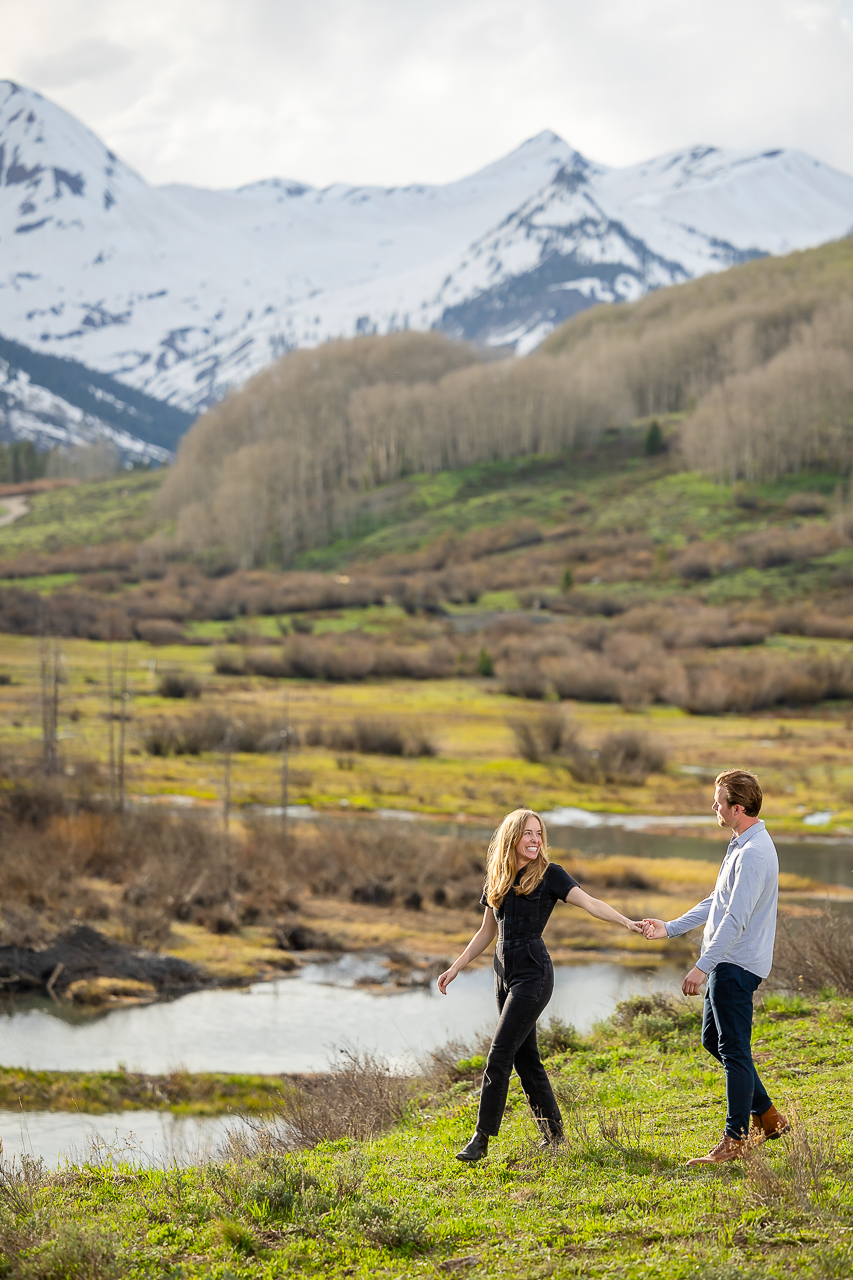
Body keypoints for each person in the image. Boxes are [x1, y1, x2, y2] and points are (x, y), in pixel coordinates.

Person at [437, 807, 642, 1162]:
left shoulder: (551, 875)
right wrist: (456, 967)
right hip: (503, 976)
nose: (535, 840)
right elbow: (487, 931)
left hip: (534, 973)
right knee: (525, 1058)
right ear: (512, 838)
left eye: (538, 834)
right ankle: (555, 1135)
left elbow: (590, 902)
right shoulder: (498, 877)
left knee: (499, 1053)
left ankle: (481, 1138)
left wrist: (627, 923)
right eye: (528, 834)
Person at [641, 769, 789, 1165]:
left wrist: (702, 966)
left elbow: (735, 919)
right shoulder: (741, 844)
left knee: (735, 1050)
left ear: (737, 808)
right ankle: (771, 1118)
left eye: (719, 802)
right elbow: (716, 902)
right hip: (727, 961)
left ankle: (736, 1138)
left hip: (735, 963)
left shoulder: (755, 854)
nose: (714, 807)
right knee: (714, 1041)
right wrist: (671, 928)